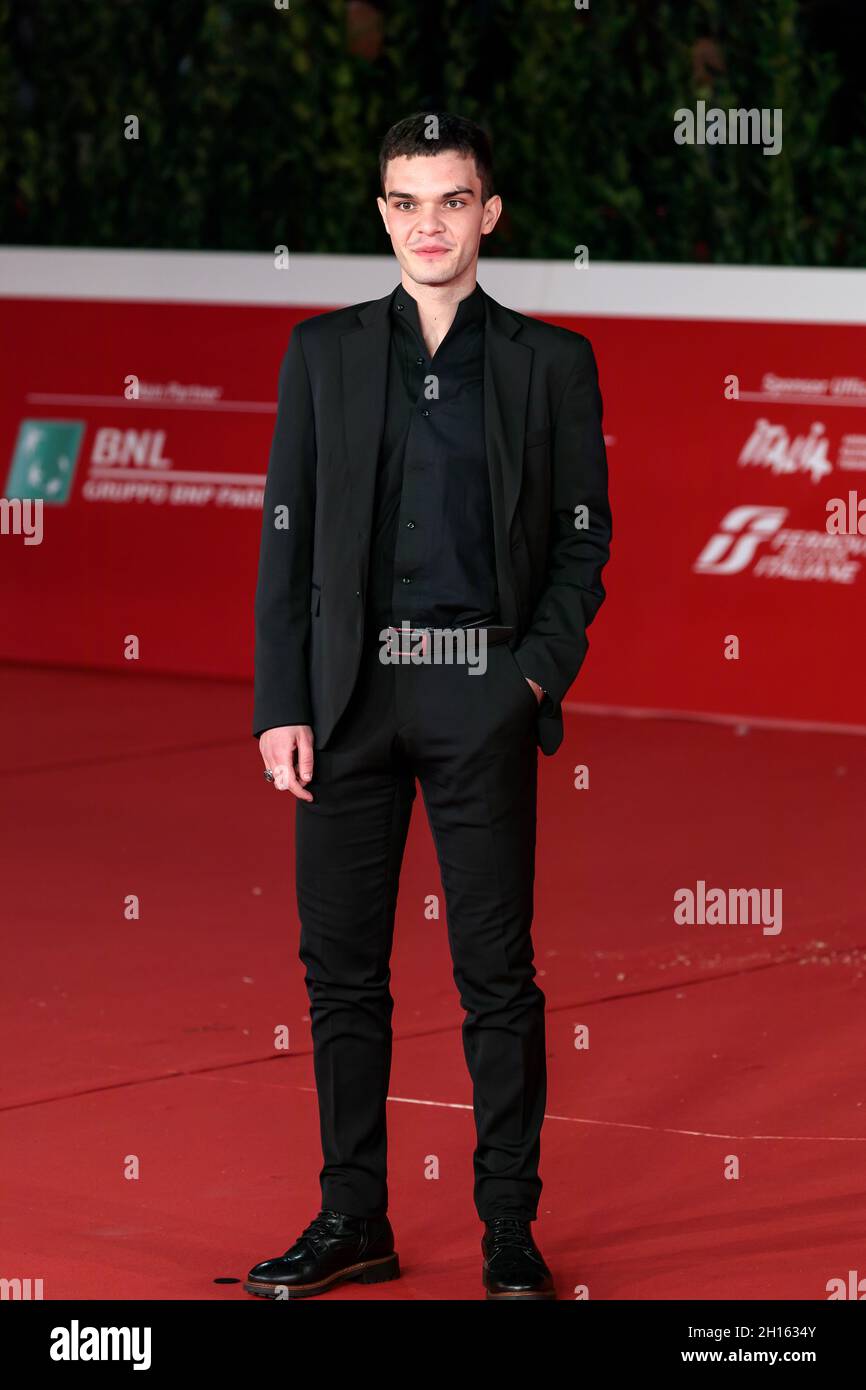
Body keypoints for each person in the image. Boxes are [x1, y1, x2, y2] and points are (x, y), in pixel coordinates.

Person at [245, 111, 611, 1301]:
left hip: (478, 690)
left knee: (494, 972)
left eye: (450, 200)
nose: (427, 224)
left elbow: (581, 540)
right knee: (339, 973)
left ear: (488, 215)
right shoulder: (322, 353)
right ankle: (353, 1216)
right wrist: (280, 701)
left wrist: (529, 678)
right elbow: (285, 538)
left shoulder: (550, 362)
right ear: (382, 215)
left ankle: (508, 1226)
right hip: (346, 700)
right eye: (405, 202)